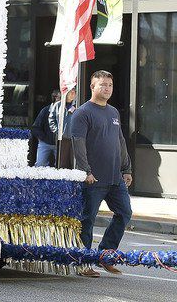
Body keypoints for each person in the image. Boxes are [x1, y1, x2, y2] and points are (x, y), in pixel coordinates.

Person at [71, 70, 133, 278]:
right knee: (87, 220)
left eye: (109, 85)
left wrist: (127, 168)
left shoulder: (113, 112)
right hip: (93, 178)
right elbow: (78, 145)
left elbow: (120, 141)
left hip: (115, 178)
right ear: (92, 87)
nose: (107, 89)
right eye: (102, 85)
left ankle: (105, 255)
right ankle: (83, 263)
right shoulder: (83, 112)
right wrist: (85, 171)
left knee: (124, 213)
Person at [31, 88, 76, 167]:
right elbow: (36, 128)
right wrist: (45, 138)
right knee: (40, 164)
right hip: (46, 142)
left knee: (60, 165)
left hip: (61, 142)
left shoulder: (73, 107)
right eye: (58, 97)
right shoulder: (45, 110)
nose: (60, 99)